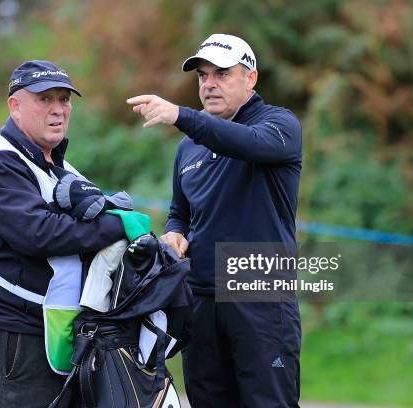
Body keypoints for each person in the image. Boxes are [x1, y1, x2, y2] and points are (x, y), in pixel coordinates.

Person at [127, 34, 302, 407]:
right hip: (201, 300)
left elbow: (246, 142)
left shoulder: (280, 125)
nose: (209, 84)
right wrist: (175, 233)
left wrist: (180, 115)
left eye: (222, 74)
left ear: (250, 78)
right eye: (202, 76)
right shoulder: (188, 146)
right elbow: (181, 212)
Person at [0, 60, 127, 407]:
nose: (58, 110)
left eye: (64, 99)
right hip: (15, 337)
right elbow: (40, 233)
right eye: (45, 99)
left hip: (61, 331)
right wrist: (119, 224)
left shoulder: (57, 165)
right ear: (15, 106)